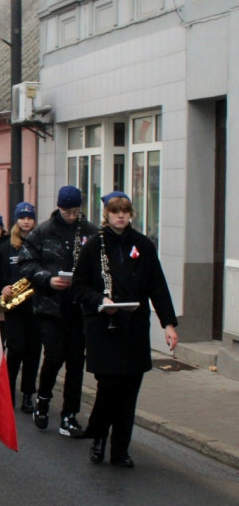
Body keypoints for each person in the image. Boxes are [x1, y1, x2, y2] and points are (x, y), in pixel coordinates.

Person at [74, 192, 178, 467]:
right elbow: (80, 286)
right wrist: (101, 301)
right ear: (106, 215)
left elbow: (157, 286)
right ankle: (98, 437)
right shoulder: (93, 245)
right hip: (104, 328)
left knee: (129, 392)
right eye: (115, 211)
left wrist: (168, 324)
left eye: (125, 211)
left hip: (133, 328)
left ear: (131, 214)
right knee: (108, 387)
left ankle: (120, 449)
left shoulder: (143, 245)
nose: (120, 216)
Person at [18, 185, 99, 437]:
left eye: (75, 211)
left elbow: (98, 265)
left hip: (79, 306)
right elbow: (26, 262)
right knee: (53, 357)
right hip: (50, 306)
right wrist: (47, 279)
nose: (72, 216)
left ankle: (69, 414)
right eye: (67, 211)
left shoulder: (90, 232)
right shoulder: (43, 231)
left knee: (76, 361)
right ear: (59, 208)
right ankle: (43, 401)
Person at [0, 201, 41, 413]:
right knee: (16, 348)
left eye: (30, 218)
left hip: (36, 305)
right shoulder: (5, 246)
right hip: (14, 307)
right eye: (22, 217)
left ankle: (28, 394)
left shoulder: (41, 243)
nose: (26, 221)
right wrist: (3, 287)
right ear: (16, 220)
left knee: (33, 351)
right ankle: (8, 391)